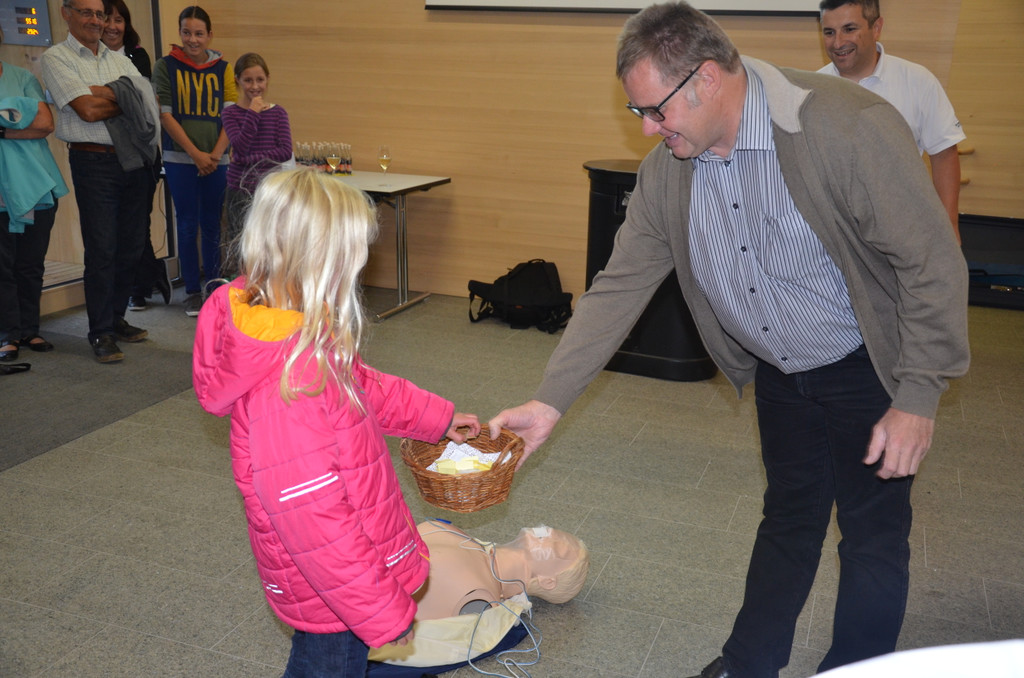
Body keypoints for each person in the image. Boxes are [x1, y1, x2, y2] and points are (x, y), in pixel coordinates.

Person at [489, 3, 969, 677]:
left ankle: (857, 669)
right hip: (780, 370)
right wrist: (549, 401)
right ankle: (749, 665)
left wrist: (917, 397)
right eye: (639, 113)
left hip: (867, 366)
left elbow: (932, 263)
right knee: (790, 517)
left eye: (656, 109)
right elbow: (617, 288)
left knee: (872, 536)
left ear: (708, 78)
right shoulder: (668, 170)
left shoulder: (848, 127)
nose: (649, 128)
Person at [192, 167, 481, 678]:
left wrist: (437, 418)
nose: (361, 267)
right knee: (328, 667)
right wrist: (381, 612)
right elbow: (318, 527)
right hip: (333, 591)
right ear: (321, 262)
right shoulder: (288, 390)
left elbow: (361, 386)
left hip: (340, 579)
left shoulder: (296, 332)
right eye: (354, 256)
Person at [41, 0, 154, 363]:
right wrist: (126, 96)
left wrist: (107, 92)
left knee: (131, 246)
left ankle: (116, 317)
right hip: (93, 162)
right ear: (67, 13)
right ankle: (101, 331)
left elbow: (147, 101)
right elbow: (87, 111)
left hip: (132, 161)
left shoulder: (119, 59)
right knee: (102, 249)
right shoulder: (56, 58)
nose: (95, 20)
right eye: (86, 12)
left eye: (99, 14)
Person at [817, 0, 966, 240]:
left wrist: (950, 227)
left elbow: (944, 154)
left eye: (849, 29)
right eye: (829, 32)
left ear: (876, 28)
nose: (838, 42)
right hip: (837, 234)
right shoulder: (811, 90)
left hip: (905, 230)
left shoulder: (918, 81)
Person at [365, 520, 590, 676]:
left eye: (558, 549)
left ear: (547, 581)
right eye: (557, 533)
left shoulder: (476, 594)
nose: (550, 533)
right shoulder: (465, 539)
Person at [152, 5, 236, 317]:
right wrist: (196, 155)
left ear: (209, 35)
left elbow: (230, 117)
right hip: (179, 159)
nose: (192, 39)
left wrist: (214, 155)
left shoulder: (224, 69)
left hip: (217, 160)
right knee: (187, 225)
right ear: (180, 33)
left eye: (199, 33)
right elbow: (165, 116)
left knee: (212, 224)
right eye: (186, 32)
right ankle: (190, 291)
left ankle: (213, 288)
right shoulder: (165, 66)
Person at [0, 26, 70, 363]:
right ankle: (8, 334)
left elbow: (44, 123)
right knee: (3, 267)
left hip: (36, 187)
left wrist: (2, 130)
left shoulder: (22, 77)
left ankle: (30, 329)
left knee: (30, 264)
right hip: (2, 192)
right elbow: (30, 123)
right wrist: (16, 120)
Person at [100, 0, 171, 312]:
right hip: (106, 157)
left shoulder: (137, 56)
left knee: (137, 225)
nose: (113, 26)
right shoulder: (89, 58)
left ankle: (139, 288)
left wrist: (105, 95)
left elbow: (139, 103)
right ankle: (150, 274)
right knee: (116, 228)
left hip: (142, 153)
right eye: (107, 19)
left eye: (119, 20)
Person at [220, 51, 293, 278]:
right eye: (248, 80)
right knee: (241, 247)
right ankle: (242, 292)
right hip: (240, 190)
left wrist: (245, 159)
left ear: (267, 79)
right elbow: (241, 145)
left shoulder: (278, 113)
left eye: (260, 80)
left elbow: (285, 151)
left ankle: (269, 292)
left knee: (270, 247)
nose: (255, 86)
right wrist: (253, 112)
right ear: (238, 81)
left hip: (269, 190)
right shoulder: (230, 113)